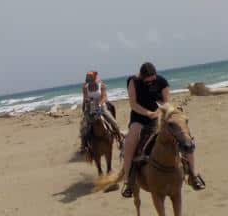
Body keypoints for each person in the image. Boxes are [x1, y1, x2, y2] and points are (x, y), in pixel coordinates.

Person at [121, 62, 205, 197]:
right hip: (139, 118)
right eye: (147, 81)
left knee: (186, 137)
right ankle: (128, 181)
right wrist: (148, 113)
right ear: (141, 77)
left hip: (160, 117)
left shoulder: (162, 81)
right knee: (130, 142)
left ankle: (193, 175)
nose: (150, 83)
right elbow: (133, 104)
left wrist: (159, 113)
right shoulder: (133, 81)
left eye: (152, 80)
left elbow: (166, 102)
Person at [79, 71, 123, 153]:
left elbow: (104, 97)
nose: (89, 81)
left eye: (91, 79)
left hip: (101, 106)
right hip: (90, 106)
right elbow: (85, 98)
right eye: (88, 80)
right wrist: (88, 103)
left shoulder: (101, 85)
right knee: (83, 126)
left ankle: (120, 139)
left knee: (113, 122)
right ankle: (83, 145)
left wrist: (99, 104)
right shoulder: (85, 87)